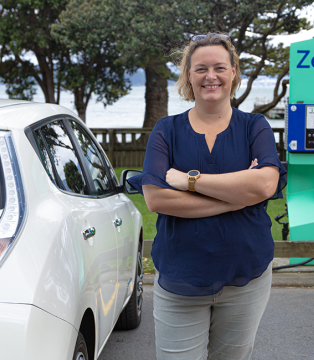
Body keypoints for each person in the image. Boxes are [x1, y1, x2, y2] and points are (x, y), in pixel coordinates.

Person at [128, 33, 287, 360]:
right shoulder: (166, 131)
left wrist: (189, 181)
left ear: (233, 73)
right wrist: (241, 194)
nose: (210, 76)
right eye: (200, 68)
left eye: (219, 67)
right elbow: (157, 199)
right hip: (180, 281)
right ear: (188, 74)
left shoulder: (254, 127)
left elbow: (265, 186)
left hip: (246, 281)